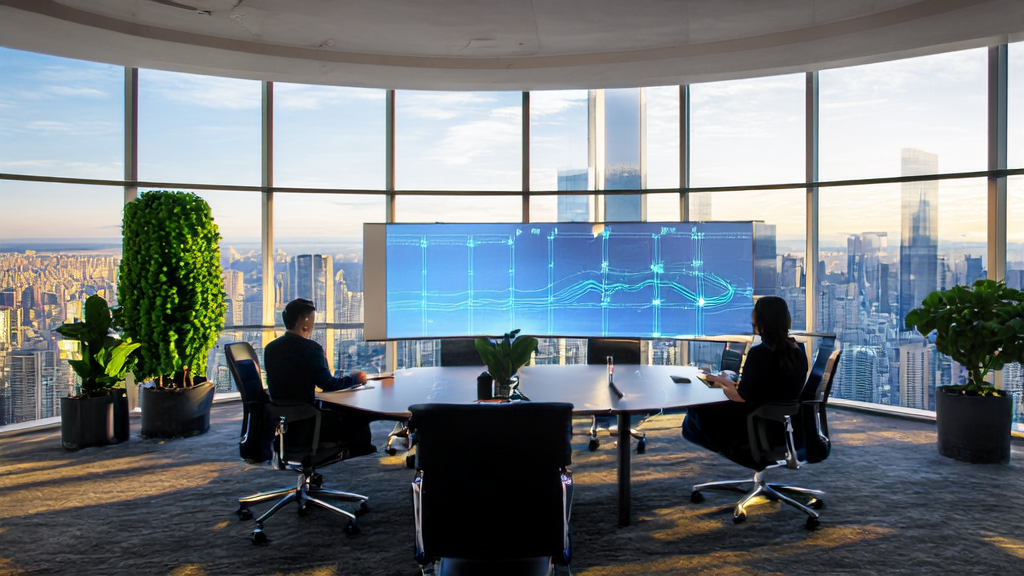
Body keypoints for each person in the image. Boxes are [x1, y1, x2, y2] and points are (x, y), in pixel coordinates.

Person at [682, 296, 808, 458]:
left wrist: (723, 385)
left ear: (758, 323)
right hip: (786, 430)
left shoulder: (759, 354)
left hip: (752, 429)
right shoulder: (798, 352)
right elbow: (766, 389)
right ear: (787, 320)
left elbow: (740, 397)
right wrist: (721, 380)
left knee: (697, 411)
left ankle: (734, 449)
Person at [264, 298, 376, 456]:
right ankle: (357, 447)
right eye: (313, 318)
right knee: (358, 411)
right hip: (307, 416)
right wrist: (355, 379)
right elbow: (328, 384)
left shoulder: (271, 348)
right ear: (305, 321)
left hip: (282, 414)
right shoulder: (311, 349)